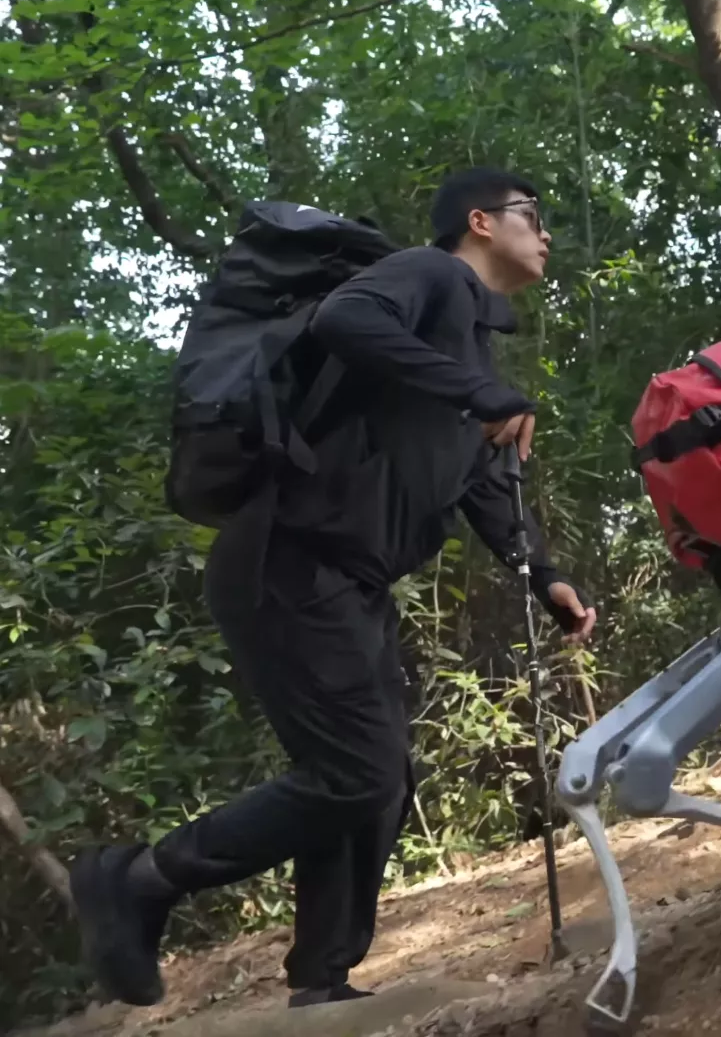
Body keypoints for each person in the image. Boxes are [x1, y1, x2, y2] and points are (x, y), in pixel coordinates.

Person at [69, 168, 597, 1010]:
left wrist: (545, 575)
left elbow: (479, 484)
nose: (545, 232)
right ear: (480, 222)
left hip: (347, 579)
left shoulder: (465, 346)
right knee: (358, 771)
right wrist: (476, 389)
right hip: (289, 558)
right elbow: (345, 316)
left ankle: (322, 980)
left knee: (379, 780)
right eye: (531, 215)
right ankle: (136, 881)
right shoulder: (429, 275)